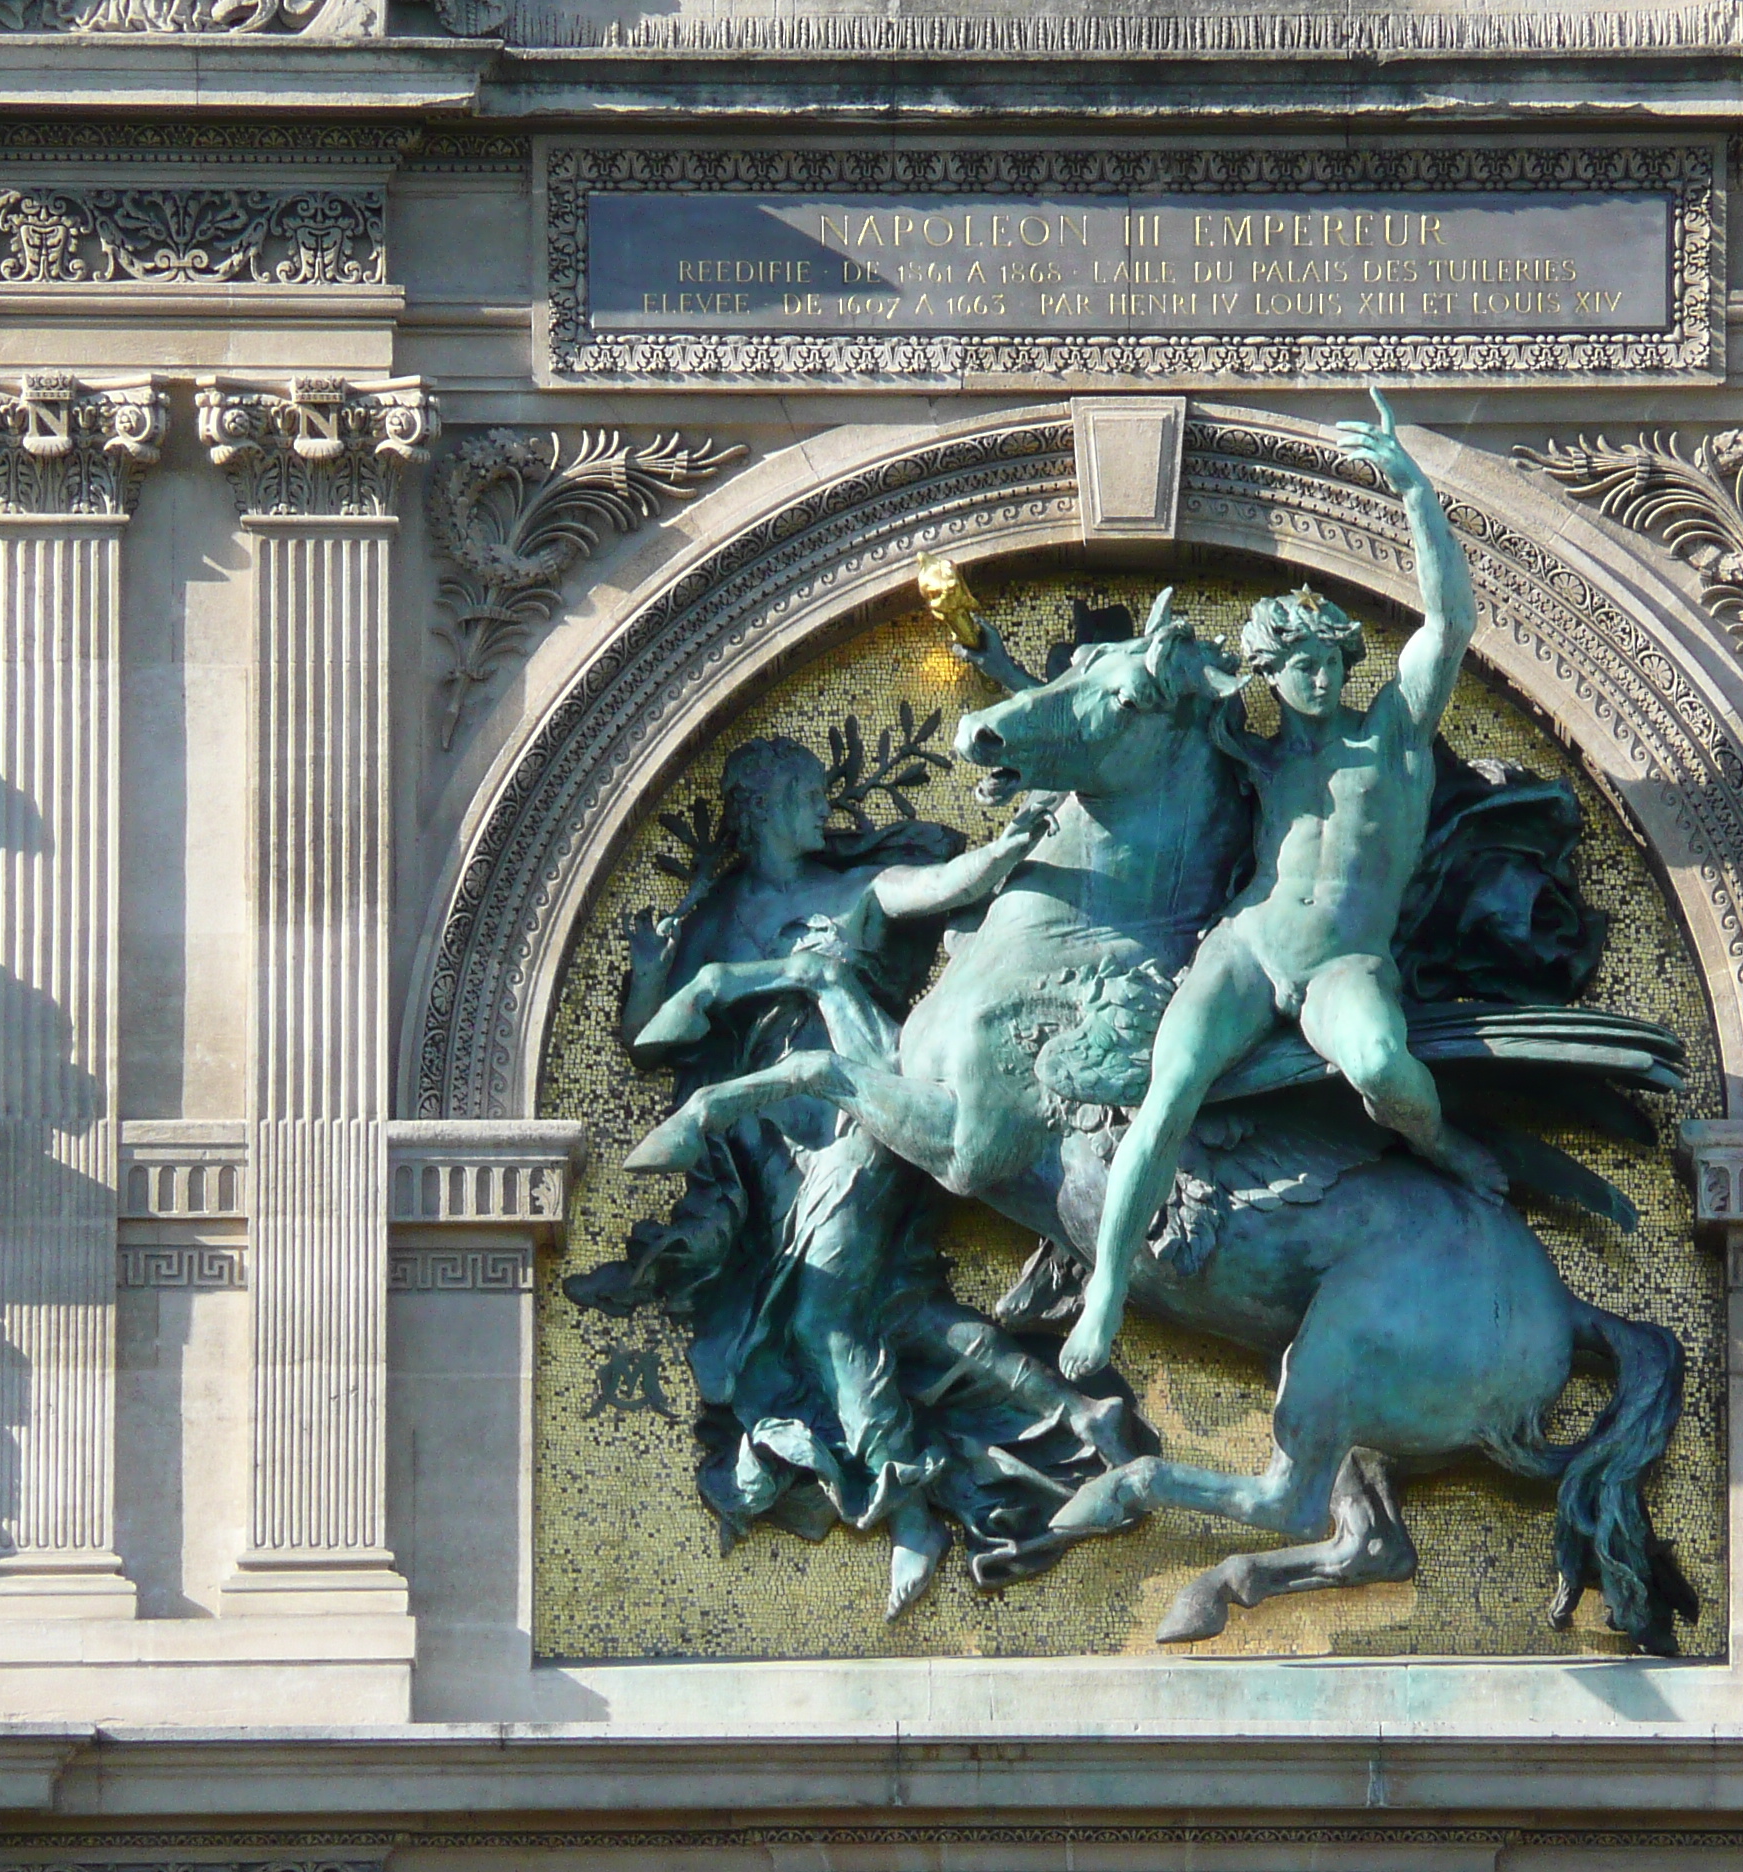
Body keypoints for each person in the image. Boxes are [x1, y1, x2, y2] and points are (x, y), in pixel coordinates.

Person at [588, 735, 1132, 1615]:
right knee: (896, 1319)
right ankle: (1078, 1416)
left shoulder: (859, 888)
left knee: (821, 1315)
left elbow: (945, 887)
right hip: (774, 1156)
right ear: (760, 807)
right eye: (806, 794)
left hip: (863, 1117)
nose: (823, 810)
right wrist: (652, 977)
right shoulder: (720, 913)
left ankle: (906, 1501)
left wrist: (1010, 844)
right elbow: (657, 1039)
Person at [1068, 392, 1507, 1383]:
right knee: (1166, 1094)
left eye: (1320, 661)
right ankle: (1101, 1288)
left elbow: (1450, 618)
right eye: (1288, 666)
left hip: (1345, 962)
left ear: (1343, 661)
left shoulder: (1391, 734)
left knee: (1384, 1066)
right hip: (1246, 944)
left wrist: (1413, 492)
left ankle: (1433, 1143)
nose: (1308, 679)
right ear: (1266, 673)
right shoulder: (1257, 756)